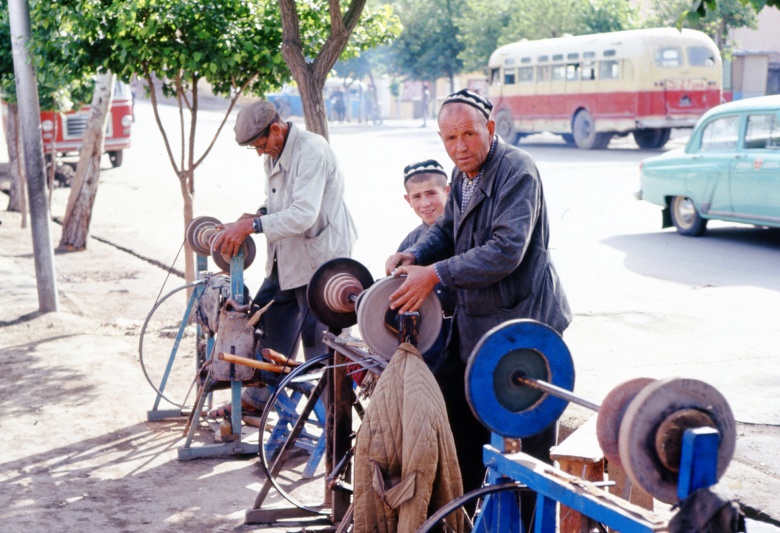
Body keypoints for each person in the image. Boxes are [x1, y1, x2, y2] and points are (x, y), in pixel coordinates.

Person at [384, 89, 572, 520]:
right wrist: (417, 256)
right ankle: (463, 520)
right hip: (479, 326)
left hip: (525, 329)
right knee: (459, 426)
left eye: (468, 134)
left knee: (525, 450)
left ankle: (528, 527)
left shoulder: (517, 170)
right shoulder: (463, 172)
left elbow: (507, 250)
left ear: (490, 128)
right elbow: (446, 229)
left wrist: (435, 274)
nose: (460, 146)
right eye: (449, 138)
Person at [210, 99, 358, 415]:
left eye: (259, 145)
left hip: (322, 260)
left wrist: (252, 225)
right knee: (264, 320)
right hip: (287, 257)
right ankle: (260, 401)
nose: (260, 152)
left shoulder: (311, 151)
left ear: (275, 129)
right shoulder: (276, 151)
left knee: (319, 345)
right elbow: (276, 202)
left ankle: (330, 425)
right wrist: (256, 215)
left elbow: (303, 214)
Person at [396, 159, 454, 370]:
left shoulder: (466, 233)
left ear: (448, 190)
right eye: (417, 196)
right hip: (428, 338)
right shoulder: (409, 244)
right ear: (407, 200)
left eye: (431, 193)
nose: (425, 203)